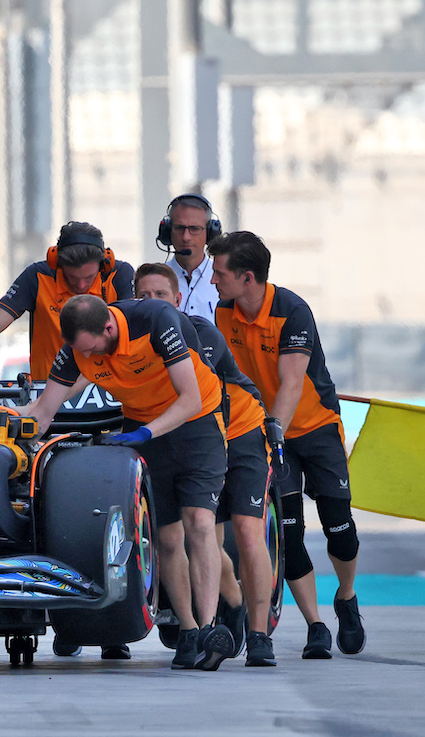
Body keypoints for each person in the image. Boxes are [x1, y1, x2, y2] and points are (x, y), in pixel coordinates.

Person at [23, 294, 235, 671]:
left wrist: (145, 435)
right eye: (83, 353)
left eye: (95, 349)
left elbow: (189, 399)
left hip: (195, 423)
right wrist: (9, 431)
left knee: (199, 523)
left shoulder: (155, 321)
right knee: (167, 538)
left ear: (108, 327)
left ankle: (208, 628)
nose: (93, 359)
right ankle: (187, 630)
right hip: (142, 426)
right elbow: (42, 411)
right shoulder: (78, 347)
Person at [209, 230, 365, 659]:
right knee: (290, 533)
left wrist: (274, 426)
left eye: (220, 273)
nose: (213, 281)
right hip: (267, 433)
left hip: (313, 428)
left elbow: (293, 383)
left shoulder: (293, 311)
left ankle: (346, 597)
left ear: (247, 278)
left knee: (340, 528)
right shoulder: (222, 312)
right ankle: (316, 626)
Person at [134, 263, 276, 667]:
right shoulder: (129, 340)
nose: (151, 304)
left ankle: (260, 634)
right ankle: (217, 612)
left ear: (177, 300)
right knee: (191, 533)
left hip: (238, 430)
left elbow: (198, 399)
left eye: (160, 296)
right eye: (142, 296)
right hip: (186, 436)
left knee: (246, 531)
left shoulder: (200, 333)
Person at [0, 222, 135, 381]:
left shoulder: (119, 276)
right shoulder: (36, 277)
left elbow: (130, 334)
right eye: (72, 277)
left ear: (104, 264)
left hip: (108, 389)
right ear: (56, 263)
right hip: (46, 389)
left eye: (89, 278)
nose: (81, 285)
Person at [156, 193, 223, 322]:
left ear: (210, 233)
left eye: (195, 228)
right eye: (179, 228)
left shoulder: (224, 279)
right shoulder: (155, 279)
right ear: (168, 231)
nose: (186, 237)